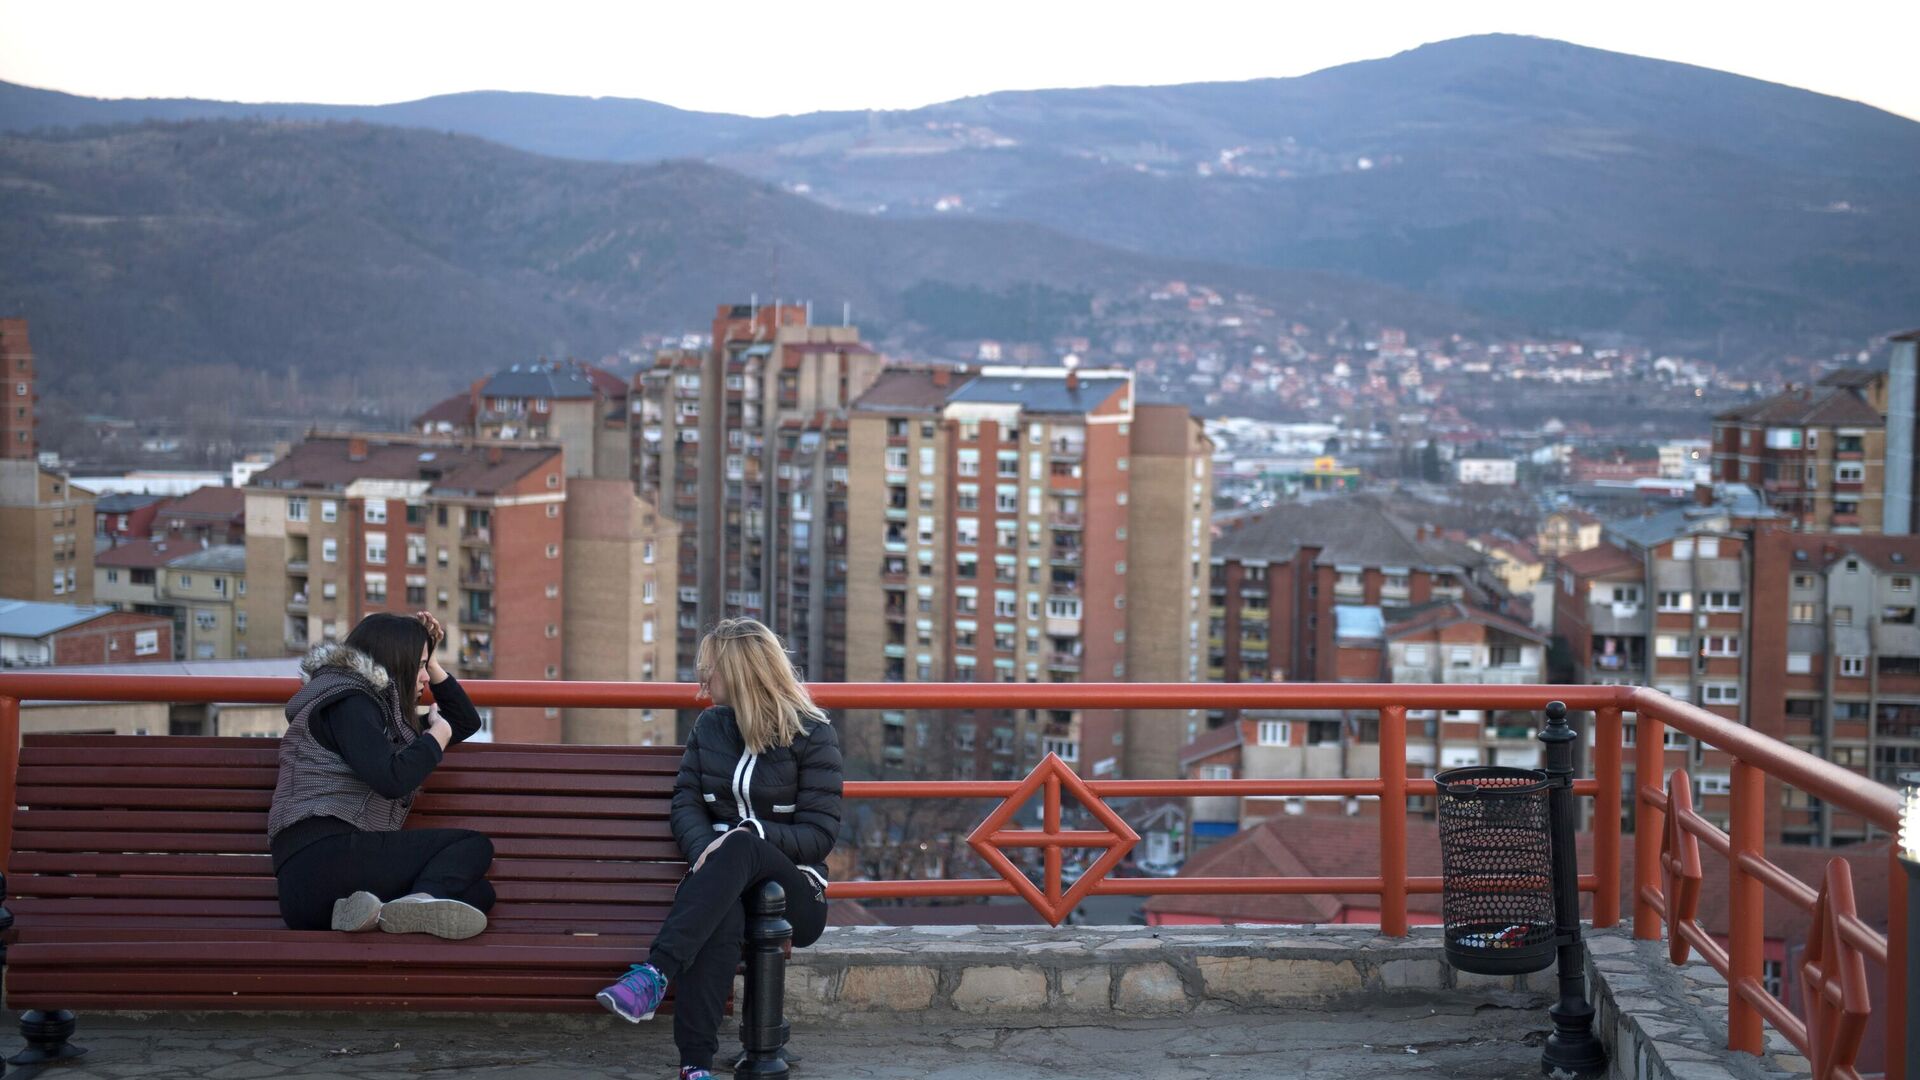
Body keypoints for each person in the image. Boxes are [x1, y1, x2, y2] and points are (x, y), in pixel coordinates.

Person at [596, 618, 843, 1080]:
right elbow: (686, 802)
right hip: (720, 884)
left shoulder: (811, 733)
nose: (702, 678)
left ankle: (655, 972)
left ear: (741, 672)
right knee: (721, 913)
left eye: (711, 668)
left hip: (794, 896)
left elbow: (819, 834)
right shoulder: (710, 727)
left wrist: (743, 835)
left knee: (743, 843)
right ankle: (695, 1067)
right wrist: (707, 852)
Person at [267, 610, 494, 938]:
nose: (425, 678)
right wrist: (437, 736)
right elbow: (392, 779)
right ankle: (417, 902)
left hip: (323, 893)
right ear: (396, 663)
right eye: (419, 666)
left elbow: (464, 721)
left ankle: (376, 913)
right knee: (472, 845)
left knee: (478, 894)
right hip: (321, 859)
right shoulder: (349, 703)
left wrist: (430, 657)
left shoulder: (378, 717)